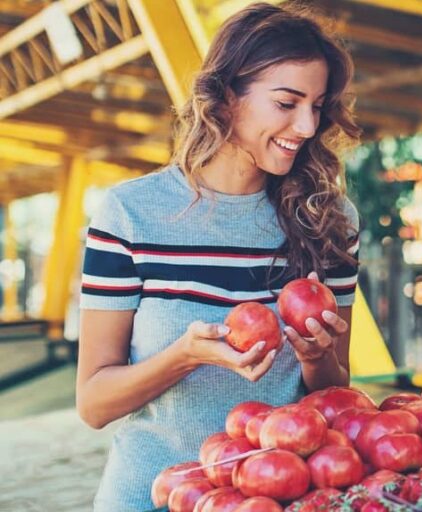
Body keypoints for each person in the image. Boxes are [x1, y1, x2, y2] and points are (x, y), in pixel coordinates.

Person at [75, 4, 361, 510]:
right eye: (286, 103)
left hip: (275, 497)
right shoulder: (130, 214)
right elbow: (95, 404)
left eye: (317, 106)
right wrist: (183, 357)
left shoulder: (330, 221)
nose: (307, 125)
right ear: (228, 97)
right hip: (152, 494)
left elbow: (335, 391)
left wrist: (317, 360)